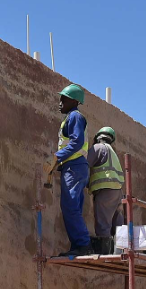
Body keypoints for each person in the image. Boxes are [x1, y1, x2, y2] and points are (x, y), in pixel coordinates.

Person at [49, 84, 91, 256]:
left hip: (74, 167)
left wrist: (58, 156)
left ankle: (82, 245)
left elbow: (76, 142)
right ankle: (79, 245)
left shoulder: (74, 117)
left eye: (64, 99)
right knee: (74, 208)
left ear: (74, 101)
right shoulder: (71, 118)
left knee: (70, 207)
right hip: (75, 167)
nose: (60, 102)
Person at [86, 126, 125, 254]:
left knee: (103, 223)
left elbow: (85, 164)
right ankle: (120, 252)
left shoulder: (98, 148)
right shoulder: (113, 153)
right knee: (117, 224)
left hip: (105, 191)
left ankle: (104, 254)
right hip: (118, 192)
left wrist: (85, 182)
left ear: (98, 137)